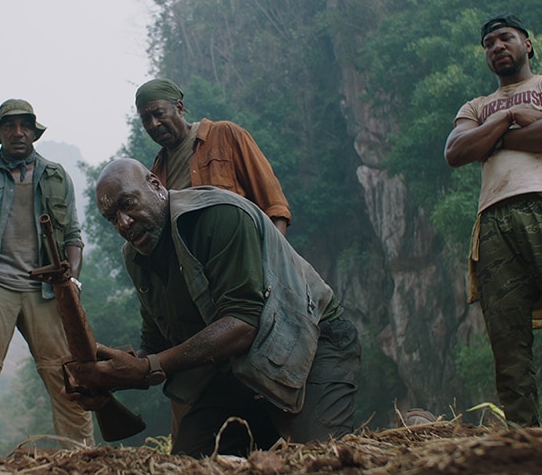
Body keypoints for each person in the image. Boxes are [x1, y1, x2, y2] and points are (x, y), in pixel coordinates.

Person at [70, 158, 360, 458]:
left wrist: (147, 368)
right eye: (112, 218)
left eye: (128, 204)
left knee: (319, 459)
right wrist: (106, 376)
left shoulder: (216, 215)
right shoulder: (136, 257)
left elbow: (243, 323)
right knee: (188, 463)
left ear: (155, 185)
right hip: (235, 371)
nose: (124, 223)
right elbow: (157, 344)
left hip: (312, 343)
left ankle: (413, 422)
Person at [0, 98, 94, 460]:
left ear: (35, 131)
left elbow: (73, 236)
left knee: (70, 383)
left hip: (46, 294)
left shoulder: (56, 176)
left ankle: (83, 461)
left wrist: (71, 282)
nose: (18, 132)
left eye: (25, 125)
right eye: (10, 126)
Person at [444, 13, 542, 427]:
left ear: (527, 44)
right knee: (507, 340)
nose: (497, 47)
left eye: (505, 38)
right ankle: (524, 440)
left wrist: (492, 140)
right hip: (494, 220)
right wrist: (509, 118)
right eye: (489, 44)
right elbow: (456, 152)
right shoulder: (475, 107)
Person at [135, 79, 291, 235]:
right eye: (146, 120)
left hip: (242, 249)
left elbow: (274, 205)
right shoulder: (155, 177)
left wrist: (273, 255)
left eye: (159, 114)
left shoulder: (226, 135)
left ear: (179, 108)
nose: (154, 124)